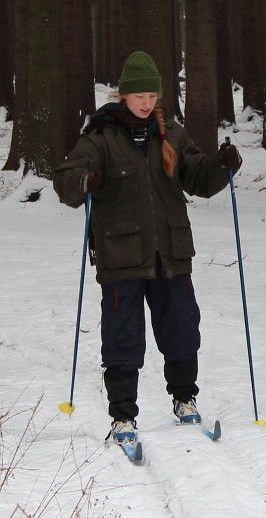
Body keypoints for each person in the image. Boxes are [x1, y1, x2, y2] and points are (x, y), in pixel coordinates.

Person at [53, 51, 243, 445]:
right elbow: (66, 178)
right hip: (121, 255)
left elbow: (198, 177)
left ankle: (185, 399)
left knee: (181, 327)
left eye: (151, 95)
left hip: (170, 252)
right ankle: (123, 416)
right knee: (123, 337)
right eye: (138, 95)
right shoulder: (101, 135)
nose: (145, 102)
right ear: (123, 96)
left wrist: (223, 166)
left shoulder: (170, 132)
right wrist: (83, 181)